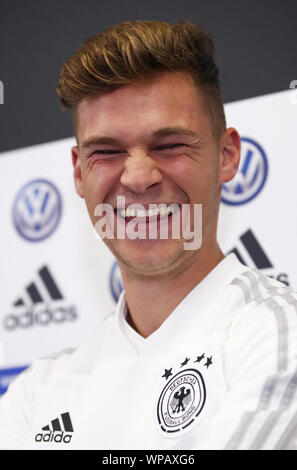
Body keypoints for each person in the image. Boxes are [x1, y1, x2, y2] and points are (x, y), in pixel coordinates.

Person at [0, 20, 297, 451]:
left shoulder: (278, 336)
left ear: (227, 155)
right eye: (106, 151)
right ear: (78, 171)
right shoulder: (36, 392)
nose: (138, 177)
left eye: (170, 144)